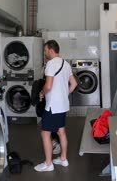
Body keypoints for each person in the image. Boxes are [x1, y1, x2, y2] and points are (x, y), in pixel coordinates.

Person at [34, 40, 77, 172]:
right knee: (61, 131)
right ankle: (63, 159)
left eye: (45, 50)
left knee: (45, 133)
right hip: (63, 104)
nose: (45, 53)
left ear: (51, 50)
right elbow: (74, 84)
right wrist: (64, 94)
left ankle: (48, 164)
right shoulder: (66, 64)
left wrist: (41, 93)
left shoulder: (51, 64)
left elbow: (48, 86)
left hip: (53, 106)